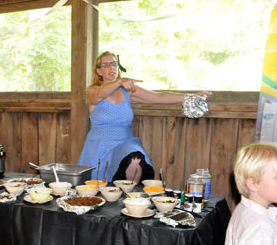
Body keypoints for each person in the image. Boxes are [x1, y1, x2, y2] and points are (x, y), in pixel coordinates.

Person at [77, 51, 211, 183]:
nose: (111, 68)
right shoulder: (93, 90)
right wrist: (119, 82)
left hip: (123, 142)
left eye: (114, 64)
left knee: (135, 160)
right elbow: (100, 94)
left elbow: (158, 96)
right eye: (106, 65)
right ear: (99, 71)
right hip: (99, 144)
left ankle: (129, 200)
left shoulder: (127, 90)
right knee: (96, 187)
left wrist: (191, 96)